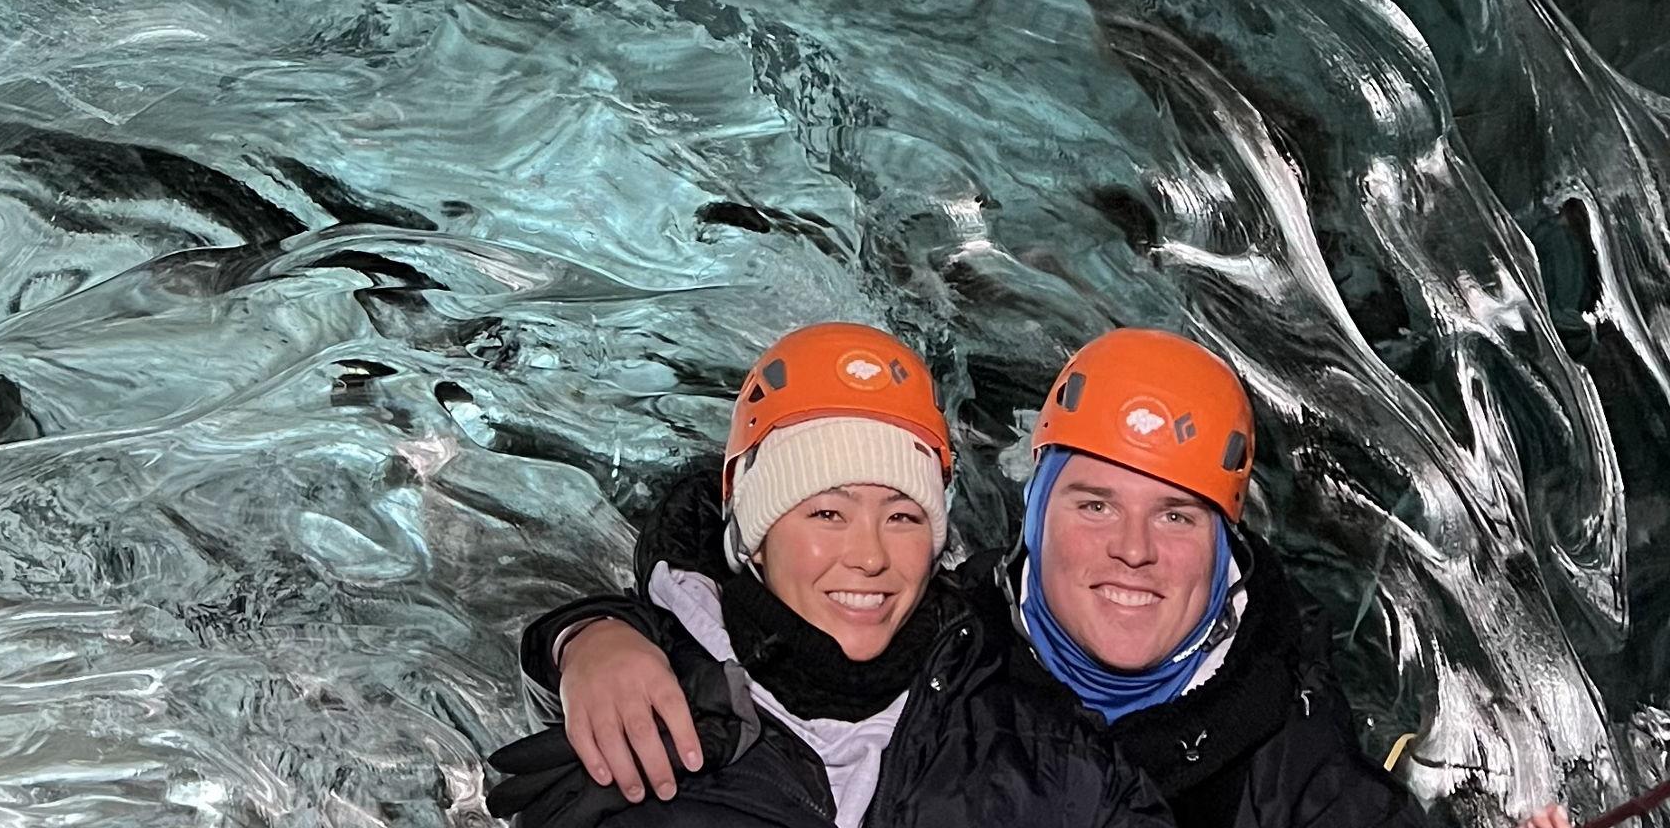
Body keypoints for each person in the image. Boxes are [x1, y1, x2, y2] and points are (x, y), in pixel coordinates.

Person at [515, 328, 1430, 828]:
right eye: (1096, 504)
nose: (1134, 550)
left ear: (1226, 547)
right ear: (1033, 518)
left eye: (1179, 516)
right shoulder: (961, 629)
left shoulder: (1291, 755)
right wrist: (589, 635)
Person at [487, 322, 1172, 828]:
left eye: (904, 518)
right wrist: (581, 639)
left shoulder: (1043, 753)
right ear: (754, 537)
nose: (870, 556)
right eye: (826, 513)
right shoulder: (641, 725)